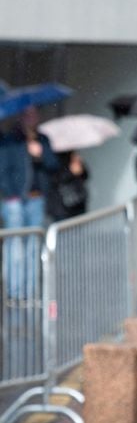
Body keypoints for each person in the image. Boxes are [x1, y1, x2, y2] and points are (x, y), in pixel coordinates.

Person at [0, 106, 58, 300]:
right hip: (15, 201)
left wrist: (40, 154)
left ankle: (30, 293)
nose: (30, 118)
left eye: (33, 114)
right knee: (14, 247)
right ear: (20, 117)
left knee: (33, 246)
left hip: (36, 199)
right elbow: (3, 170)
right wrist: (12, 194)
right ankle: (14, 295)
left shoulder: (43, 139)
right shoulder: (9, 140)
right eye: (26, 114)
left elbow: (53, 165)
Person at [47, 151, 89, 221]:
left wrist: (80, 165)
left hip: (78, 202)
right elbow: (53, 180)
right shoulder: (52, 157)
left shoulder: (73, 156)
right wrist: (70, 171)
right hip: (61, 206)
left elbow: (86, 176)